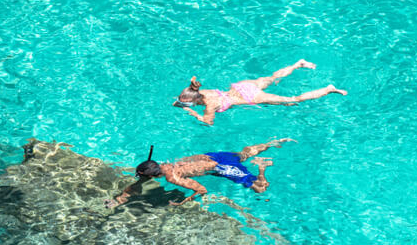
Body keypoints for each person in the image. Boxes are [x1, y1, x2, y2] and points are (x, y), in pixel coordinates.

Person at [105, 139, 295, 208]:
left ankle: (262, 168)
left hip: (219, 167)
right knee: (243, 154)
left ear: (153, 176)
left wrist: (185, 201)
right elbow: (136, 186)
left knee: (260, 189)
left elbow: (202, 189)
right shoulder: (163, 165)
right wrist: (119, 199)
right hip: (210, 156)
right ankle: (272, 143)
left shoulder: (173, 177)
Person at [173, 59, 346, 126]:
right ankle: (297, 64)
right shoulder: (202, 91)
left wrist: (191, 112)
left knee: (294, 99)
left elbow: (208, 123)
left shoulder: (209, 106)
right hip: (242, 86)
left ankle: (329, 89)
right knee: (272, 78)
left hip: (251, 97)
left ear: (194, 101)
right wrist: (183, 102)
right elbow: (187, 97)